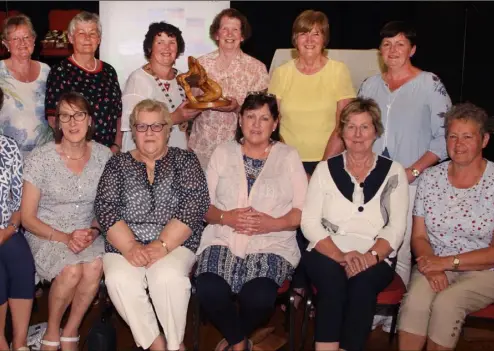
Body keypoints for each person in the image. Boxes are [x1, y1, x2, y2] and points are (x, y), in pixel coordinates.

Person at [325, 24, 452, 330]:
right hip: (367, 183)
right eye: (387, 45)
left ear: (412, 49)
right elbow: (351, 129)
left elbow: (443, 138)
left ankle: (397, 317)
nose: (393, 50)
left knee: (402, 248)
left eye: (400, 44)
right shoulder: (369, 85)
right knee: (370, 242)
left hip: (412, 182)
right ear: (379, 51)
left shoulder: (430, 84)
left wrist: (412, 171)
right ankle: (368, 310)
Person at [398, 102, 494, 351]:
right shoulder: (430, 179)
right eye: (452, 136)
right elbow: (419, 236)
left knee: (448, 303)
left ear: (484, 140)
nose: (458, 144)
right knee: (416, 301)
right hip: (435, 262)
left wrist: (446, 263)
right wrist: (431, 264)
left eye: (467, 136)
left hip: (492, 270)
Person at [195, 92, 308, 351]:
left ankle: (233, 339)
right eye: (250, 117)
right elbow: (204, 207)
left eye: (264, 118)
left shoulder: (288, 156)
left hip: (271, 242)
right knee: (209, 289)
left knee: (258, 298)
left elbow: (302, 211)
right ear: (240, 120)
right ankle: (239, 343)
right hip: (223, 237)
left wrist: (273, 224)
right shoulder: (223, 153)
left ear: (275, 123)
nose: (256, 125)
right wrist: (227, 217)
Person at [95, 99, 209, 351]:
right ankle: (158, 345)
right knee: (119, 280)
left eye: (156, 126)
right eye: (141, 126)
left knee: (168, 278)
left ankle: (174, 342)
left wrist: (163, 244)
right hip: (124, 242)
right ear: (133, 131)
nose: (148, 133)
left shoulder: (186, 161)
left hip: (176, 242)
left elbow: (194, 205)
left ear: (168, 129)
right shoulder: (117, 163)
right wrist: (130, 246)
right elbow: (105, 207)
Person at [301, 97, 409, 351]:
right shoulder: (325, 169)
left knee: (362, 285)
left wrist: (370, 257)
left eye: (365, 127)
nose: (357, 135)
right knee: (333, 283)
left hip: (375, 254)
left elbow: (396, 227)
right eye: (350, 126)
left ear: (376, 131)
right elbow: (309, 223)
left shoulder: (394, 171)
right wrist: (340, 255)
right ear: (341, 132)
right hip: (326, 250)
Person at [268, 9, 356, 309]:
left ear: (324, 39)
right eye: (304, 32)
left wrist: (319, 168)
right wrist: (292, 165)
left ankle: (309, 287)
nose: (309, 39)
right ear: (295, 38)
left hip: (328, 162)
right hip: (287, 161)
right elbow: (272, 123)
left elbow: (343, 123)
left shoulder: (338, 71)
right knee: (293, 224)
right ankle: (295, 285)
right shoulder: (282, 73)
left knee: (319, 224)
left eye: (316, 33)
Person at [21, 92, 112, 351]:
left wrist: (94, 231)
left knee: (95, 266)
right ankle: (52, 331)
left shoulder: (104, 156)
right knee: (72, 271)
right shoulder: (41, 158)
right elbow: (27, 218)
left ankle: (70, 331)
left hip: (88, 232)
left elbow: (106, 207)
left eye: (79, 115)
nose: (73, 123)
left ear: (90, 120)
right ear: (57, 123)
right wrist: (64, 237)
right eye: (65, 116)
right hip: (46, 233)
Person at [188, 8, 270, 170]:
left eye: (235, 30)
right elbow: (192, 100)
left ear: (242, 36)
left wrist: (237, 107)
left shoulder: (257, 68)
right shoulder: (201, 64)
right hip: (202, 147)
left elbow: (260, 112)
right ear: (217, 34)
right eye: (225, 29)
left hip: (239, 148)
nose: (230, 34)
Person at [45, 11, 123, 153]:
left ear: (99, 39)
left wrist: (116, 146)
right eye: (81, 33)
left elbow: (118, 115)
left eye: (92, 33)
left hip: (109, 153)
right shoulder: (60, 72)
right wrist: (83, 152)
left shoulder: (109, 71)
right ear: (70, 38)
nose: (87, 38)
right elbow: (53, 119)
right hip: (76, 154)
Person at [120, 21, 200, 152]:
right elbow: (131, 123)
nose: (166, 48)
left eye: (172, 42)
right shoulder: (138, 79)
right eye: (160, 42)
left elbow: (183, 124)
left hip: (176, 155)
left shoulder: (181, 77)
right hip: (144, 157)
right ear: (150, 48)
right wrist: (174, 117)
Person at [0, 87, 35, 351]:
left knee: (22, 261)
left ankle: (20, 342)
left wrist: (10, 228)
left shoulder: (8, 146)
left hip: (7, 228)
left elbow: (18, 199)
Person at [0, 14, 53, 158]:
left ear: (34, 40)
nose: (22, 42)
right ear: (6, 43)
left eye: (26, 37)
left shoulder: (46, 71)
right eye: (15, 38)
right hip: (7, 161)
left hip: (44, 158)